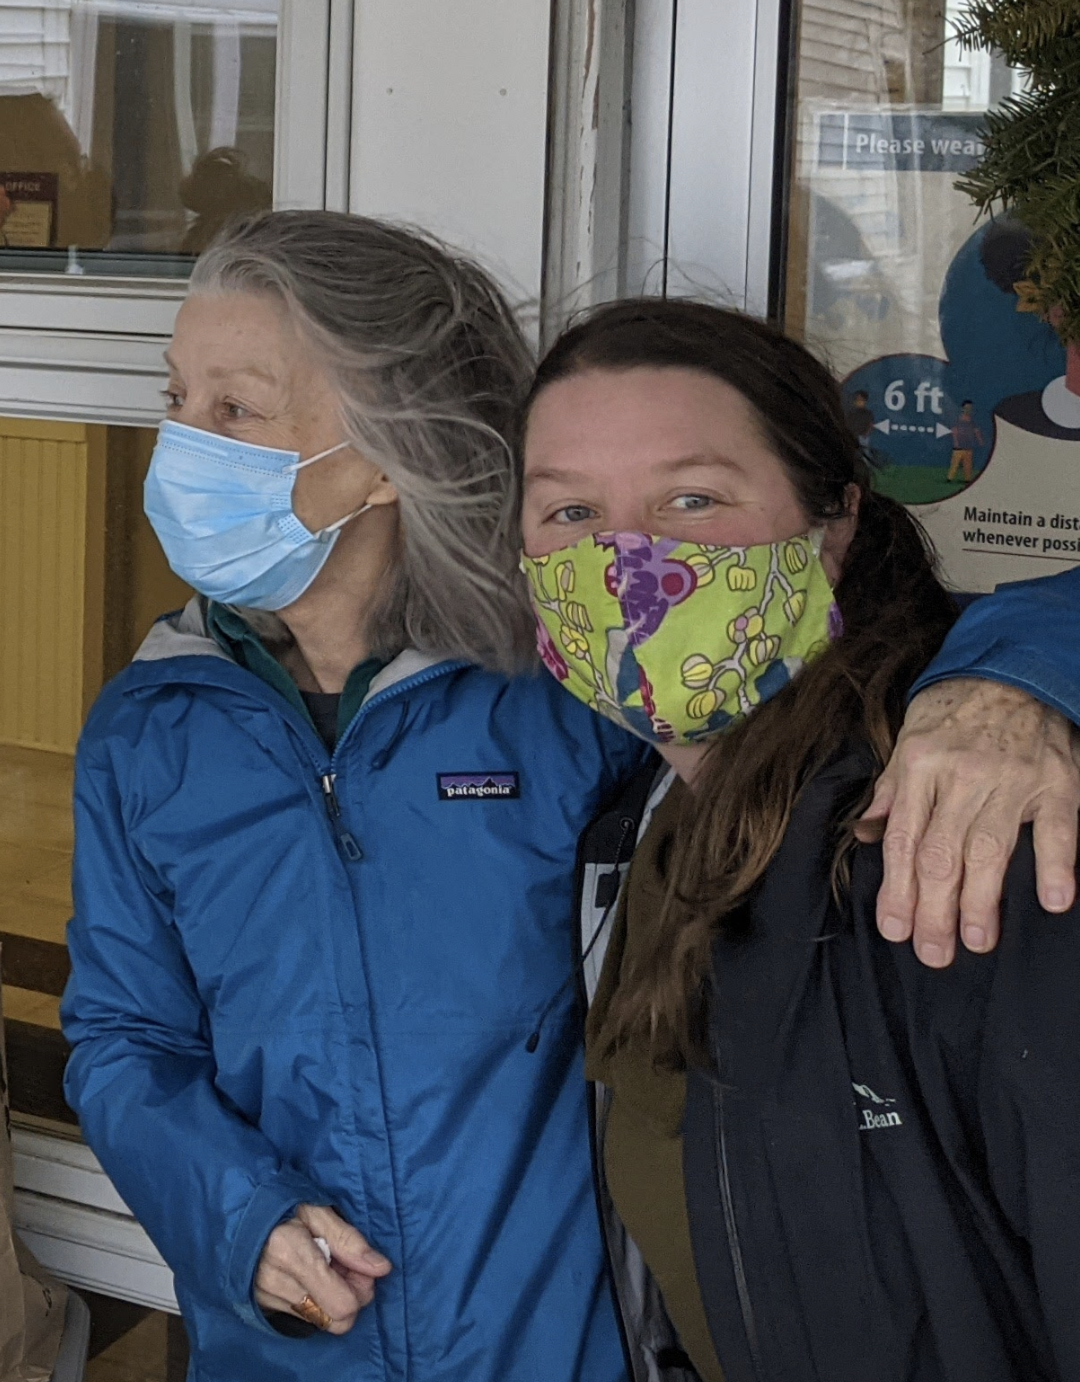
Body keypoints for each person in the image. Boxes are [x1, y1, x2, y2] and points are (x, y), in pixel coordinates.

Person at [60, 211, 648, 1382]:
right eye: (176, 397)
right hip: (281, 1352)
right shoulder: (150, 729)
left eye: (236, 409)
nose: (181, 444)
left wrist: (1009, 675)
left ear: (387, 456)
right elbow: (125, 1038)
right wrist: (243, 1218)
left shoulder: (571, 697)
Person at [516, 298, 1080, 1382]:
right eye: (571, 510)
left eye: (693, 498)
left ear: (834, 525)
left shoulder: (951, 839)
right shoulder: (639, 829)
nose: (625, 560)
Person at [946, 399, 985, 483]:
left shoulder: (972, 421)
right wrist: (956, 442)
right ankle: (949, 478)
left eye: (970, 408)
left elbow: (976, 431)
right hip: (958, 448)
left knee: (968, 464)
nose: (968, 410)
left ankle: (967, 479)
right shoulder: (957, 419)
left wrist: (980, 441)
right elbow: (954, 431)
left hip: (969, 446)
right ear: (962, 408)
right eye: (966, 408)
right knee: (955, 463)